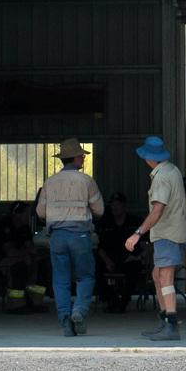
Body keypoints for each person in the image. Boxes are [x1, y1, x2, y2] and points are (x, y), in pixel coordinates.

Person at [32, 141, 105, 336]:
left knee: (60, 280)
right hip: (80, 235)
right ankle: (79, 311)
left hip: (57, 237)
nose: (83, 158)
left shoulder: (50, 182)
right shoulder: (86, 181)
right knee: (85, 276)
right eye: (82, 155)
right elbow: (99, 209)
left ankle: (65, 320)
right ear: (75, 158)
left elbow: (40, 211)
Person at [125, 135, 186, 341]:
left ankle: (171, 323)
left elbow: (158, 209)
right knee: (156, 275)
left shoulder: (161, 177)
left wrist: (137, 233)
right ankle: (164, 319)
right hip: (167, 232)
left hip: (167, 233)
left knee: (165, 279)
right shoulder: (172, 170)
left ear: (149, 158)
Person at [94, 192, 142, 312]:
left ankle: (124, 301)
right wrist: (107, 262)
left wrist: (139, 257)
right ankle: (111, 299)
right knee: (93, 268)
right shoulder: (105, 222)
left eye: (118, 204)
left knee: (135, 268)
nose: (115, 207)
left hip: (130, 259)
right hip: (109, 260)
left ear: (124, 206)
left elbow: (148, 244)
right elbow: (99, 246)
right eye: (112, 205)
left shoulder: (135, 221)